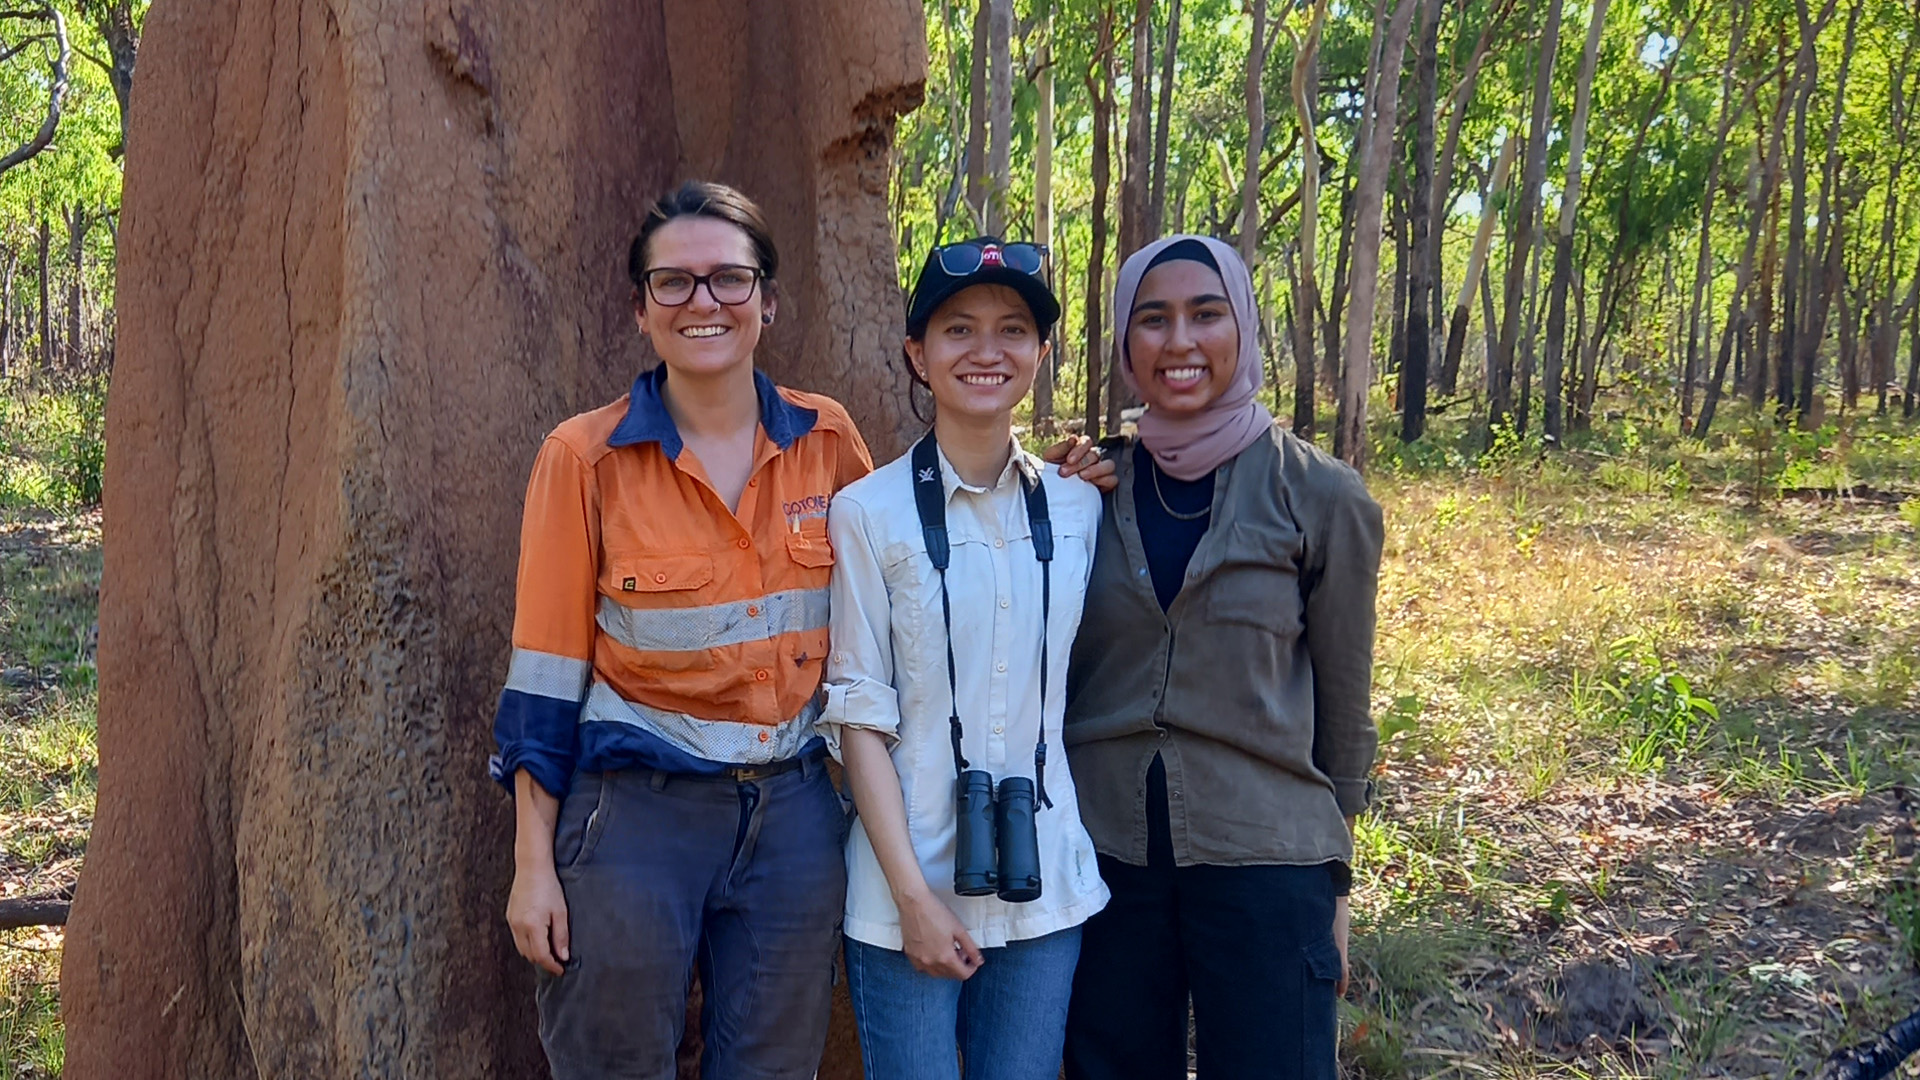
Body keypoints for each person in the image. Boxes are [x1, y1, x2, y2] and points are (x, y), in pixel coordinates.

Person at [492, 180, 873, 1079]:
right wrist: (532, 867)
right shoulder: (584, 460)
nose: (704, 301)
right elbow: (543, 683)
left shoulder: (827, 442)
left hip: (794, 818)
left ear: (767, 301)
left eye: (729, 278)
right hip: (636, 817)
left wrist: (1045, 483)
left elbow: (901, 602)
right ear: (641, 309)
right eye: (674, 282)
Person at [1059, 235, 1384, 1080]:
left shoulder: (1321, 495)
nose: (1180, 342)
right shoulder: (1083, 492)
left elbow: (1345, 709)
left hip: (1267, 861)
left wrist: (1337, 886)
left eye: (1206, 315)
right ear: (1124, 341)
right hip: (1104, 861)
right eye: (1153, 319)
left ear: (1242, 325)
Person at [821, 238, 1112, 1080]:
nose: (987, 350)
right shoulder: (866, 512)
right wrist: (912, 898)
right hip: (903, 889)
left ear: (1041, 353)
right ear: (918, 354)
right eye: (958, 329)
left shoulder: (1081, 505)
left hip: (1044, 882)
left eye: (1013, 329)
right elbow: (857, 717)